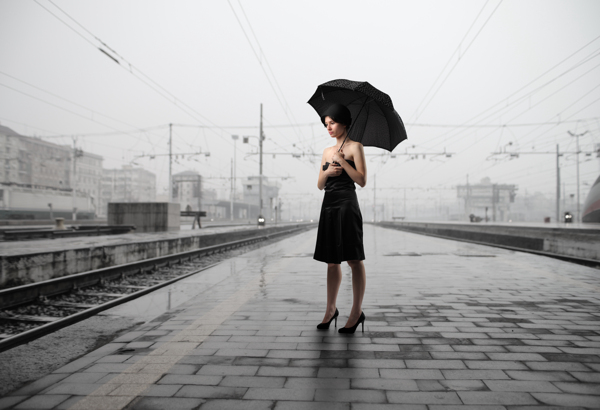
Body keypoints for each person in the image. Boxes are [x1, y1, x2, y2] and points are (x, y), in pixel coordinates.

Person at [314, 103, 367, 334]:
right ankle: (330, 309)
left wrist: (343, 162)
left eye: (332, 123)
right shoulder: (326, 151)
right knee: (331, 261)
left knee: (354, 259)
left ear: (344, 123)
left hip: (347, 204)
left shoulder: (356, 147)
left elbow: (362, 180)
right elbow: (319, 184)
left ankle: (356, 312)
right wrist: (327, 171)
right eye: (326, 124)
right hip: (329, 206)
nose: (329, 127)